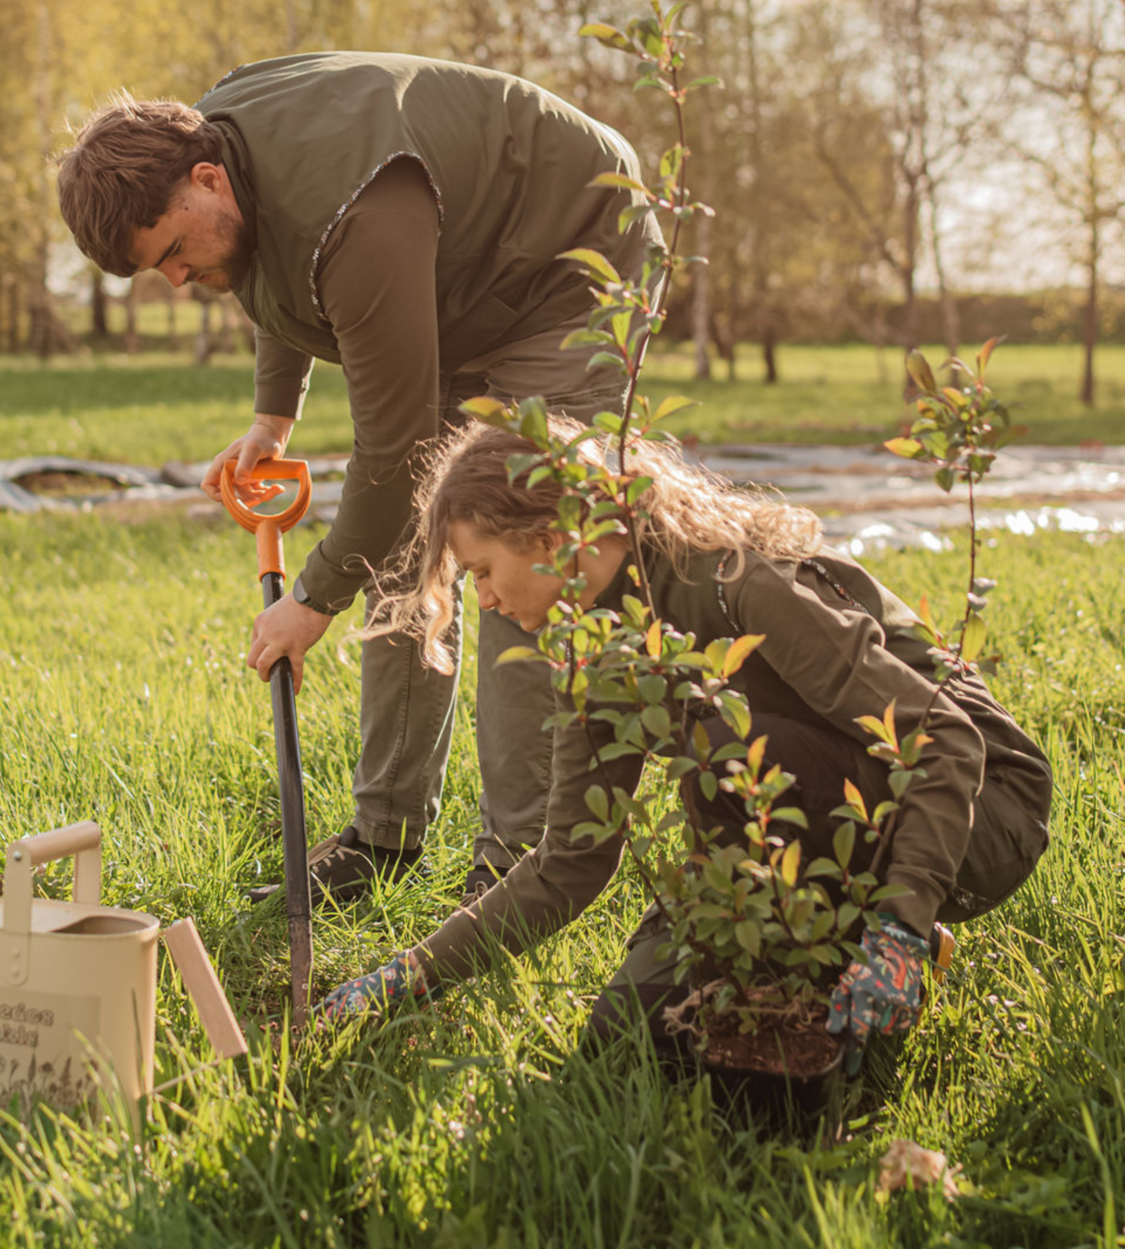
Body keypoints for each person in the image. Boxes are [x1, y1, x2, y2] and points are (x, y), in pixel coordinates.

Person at [55, 53, 662, 903]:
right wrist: (273, 417)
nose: (180, 279)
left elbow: (394, 446)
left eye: (174, 252)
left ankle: (515, 870)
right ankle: (384, 838)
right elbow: (272, 264)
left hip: (573, 256)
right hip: (461, 276)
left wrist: (311, 599)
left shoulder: (360, 213)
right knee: (403, 546)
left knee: (518, 558)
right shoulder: (223, 165)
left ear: (205, 179)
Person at [316, 417, 1052, 1057]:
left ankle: (882, 942)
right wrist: (407, 975)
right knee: (633, 1035)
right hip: (812, 805)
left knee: (721, 755)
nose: (485, 599)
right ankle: (837, 938)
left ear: (548, 537)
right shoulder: (595, 650)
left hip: (980, 814)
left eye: (482, 572)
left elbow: (947, 738)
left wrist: (902, 922)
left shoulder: (736, 584)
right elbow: (567, 864)